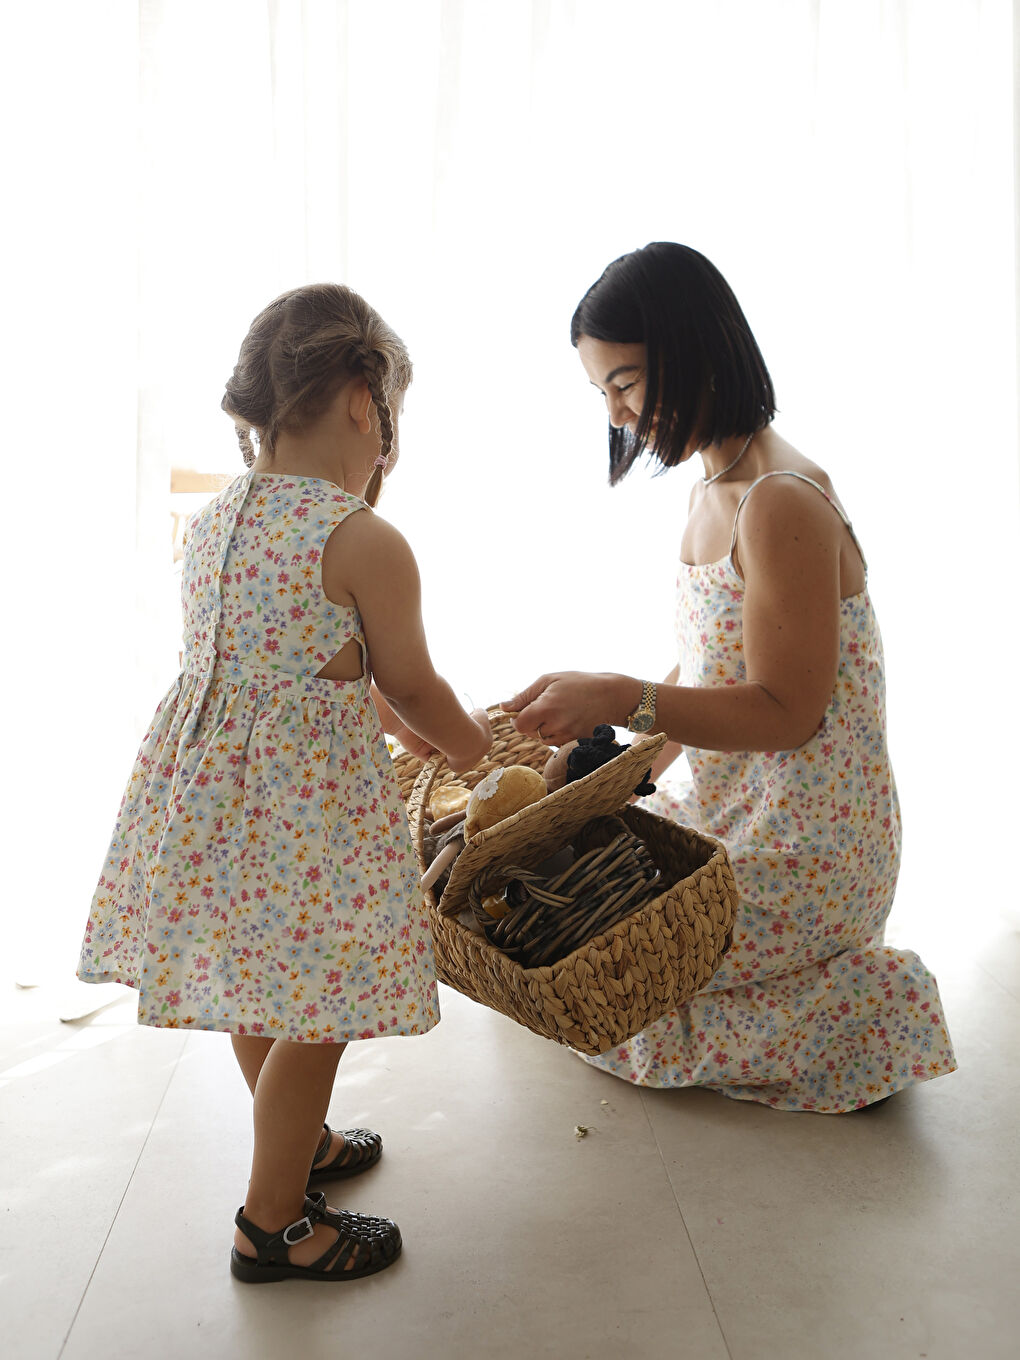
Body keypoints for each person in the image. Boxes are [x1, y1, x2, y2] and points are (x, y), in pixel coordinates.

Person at [78, 283, 492, 1281]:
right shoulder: (362, 538)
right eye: (392, 421)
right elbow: (409, 679)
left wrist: (398, 723)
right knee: (323, 1008)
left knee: (268, 992)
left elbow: (313, 666)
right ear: (364, 403)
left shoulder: (219, 519)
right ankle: (273, 1224)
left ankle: (294, 1142)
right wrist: (475, 749)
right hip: (307, 818)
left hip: (214, 802)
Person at [504, 242, 956, 1113]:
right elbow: (713, 674)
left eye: (626, 383)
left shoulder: (780, 499)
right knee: (556, 915)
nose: (618, 414)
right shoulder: (712, 488)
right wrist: (626, 771)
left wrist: (621, 694)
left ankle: (871, 1002)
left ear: (694, 349)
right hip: (732, 811)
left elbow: (787, 713)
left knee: (605, 974)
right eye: (602, 391)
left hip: (810, 848)